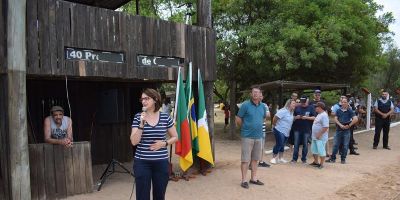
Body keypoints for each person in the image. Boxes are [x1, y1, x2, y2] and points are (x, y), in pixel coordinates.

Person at [130, 88, 178, 200]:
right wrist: (142, 124)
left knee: (159, 196)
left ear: (155, 99)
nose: (143, 101)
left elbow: (175, 137)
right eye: (142, 99)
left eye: (147, 98)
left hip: (161, 163)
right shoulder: (138, 117)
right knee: (142, 196)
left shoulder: (165, 117)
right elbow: (134, 142)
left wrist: (164, 143)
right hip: (142, 163)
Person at [236, 86, 266, 189]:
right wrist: (244, 128)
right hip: (247, 136)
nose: (255, 94)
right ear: (251, 94)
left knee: (255, 159)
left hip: (259, 136)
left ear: (260, 94)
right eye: (253, 92)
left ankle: (253, 178)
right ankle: (244, 180)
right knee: (245, 159)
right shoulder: (245, 105)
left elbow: (262, 118)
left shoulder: (263, 106)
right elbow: (238, 118)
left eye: (257, 92)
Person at [326, 98, 358, 164]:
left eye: (345, 102)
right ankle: (333, 158)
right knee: (335, 145)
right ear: (341, 103)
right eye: (342, 102)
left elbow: (355, 119)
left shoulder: (350, 111)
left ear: (347, 103)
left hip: (346, 130)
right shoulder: (338, 110)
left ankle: (343, 159)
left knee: (345, 145)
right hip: (339, 129)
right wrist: (340, 125)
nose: (343, 103)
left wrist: (349, 125)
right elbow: (335, 118)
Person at [270, 99, 296, 164]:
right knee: (279, 143)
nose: (294, 105)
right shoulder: (283, 111)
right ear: (289, 104)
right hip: (279, 129)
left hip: (286, 131)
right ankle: (273, 158)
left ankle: (280, 158)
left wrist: (296, 117)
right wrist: (274, 126)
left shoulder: (291, 112)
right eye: (293, 103)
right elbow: (275, 118)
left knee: (283, 144)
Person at [291, 96, 315, 164]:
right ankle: (294, 159)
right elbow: (291, 117)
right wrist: (296, 117)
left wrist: (306, 118)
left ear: (307, 101)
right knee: (296, 144)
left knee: (305, 144)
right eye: (302, 101)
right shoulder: (297, 107)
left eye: (304, 101)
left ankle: (304, 159)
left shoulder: (311, 107)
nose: (303, 103)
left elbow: (314, 117)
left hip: (307, 129)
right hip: (297, 129)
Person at [309, 102, 329, 169]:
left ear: (320, 108)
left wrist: (319, 134)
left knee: (321, 150)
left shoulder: (324, 115)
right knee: (314, 150)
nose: (315, 108)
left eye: (316, 107)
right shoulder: (319, 114)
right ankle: (316, 161)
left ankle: (322, 164)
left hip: (320, 137)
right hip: (315, 136)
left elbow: (325, 127)